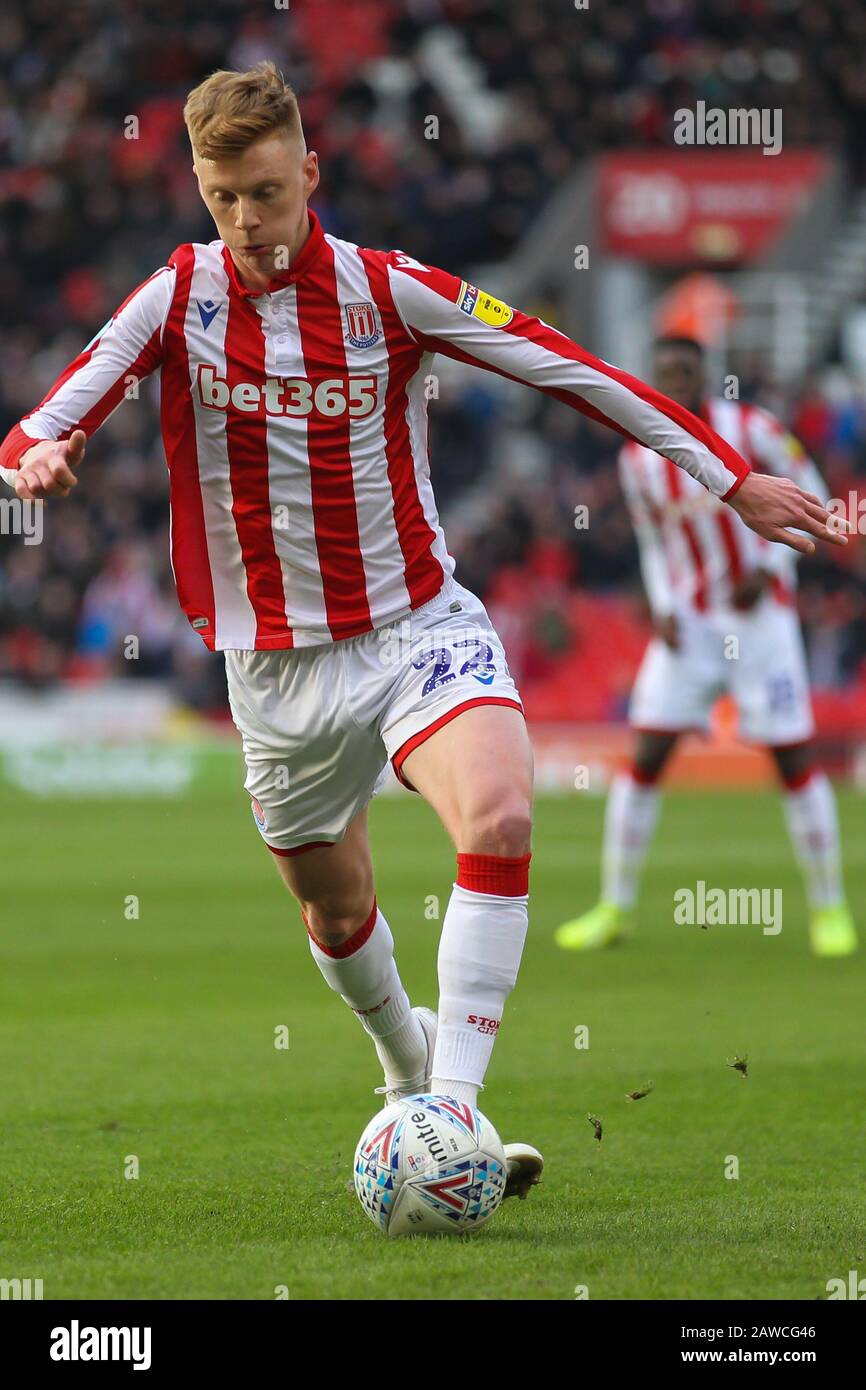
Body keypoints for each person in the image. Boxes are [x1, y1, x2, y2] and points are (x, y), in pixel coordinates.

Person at [0, 66, 846, 1210]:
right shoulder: (175, 297)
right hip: (274, 674)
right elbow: (38, 422)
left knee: (498, 810)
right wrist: (38, 460)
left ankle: (450, 1112)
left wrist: (726, 475)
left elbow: (569, 365)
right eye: (220, 197)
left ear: (309, 171)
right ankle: (408, 1074)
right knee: (336, 910)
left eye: (262, 190)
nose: (245, 221)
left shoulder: (389, 291)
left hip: (415, 627)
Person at [555, 337, 857, 959]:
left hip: (760, 625)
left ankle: (830, 909)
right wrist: (664, 607)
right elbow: (653, 542)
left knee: (793, 763)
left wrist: (773, 570)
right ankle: (615, 906)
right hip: (688, 629)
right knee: (645, 760)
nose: (675, 382)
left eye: (686, 372)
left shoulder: (754, 428)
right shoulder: (638, 458)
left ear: (706, 375)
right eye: (664, 374)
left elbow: (815, 497)